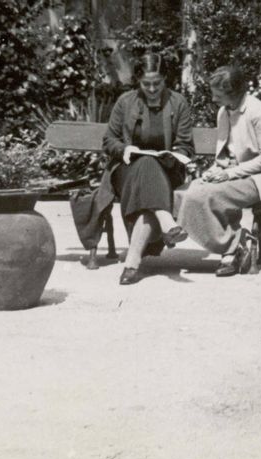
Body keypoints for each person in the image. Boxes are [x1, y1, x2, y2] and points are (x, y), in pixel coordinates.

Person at [177, 65, 261, 277]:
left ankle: (231, 249)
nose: (213, 99)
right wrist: (214, 170)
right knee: (184, 193)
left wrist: (228, 174)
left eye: (218, 95)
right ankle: (234, 244)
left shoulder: (257, 112)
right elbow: (226, 152)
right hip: (233, 173)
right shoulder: (224, 112)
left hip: (260, 178)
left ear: (233, 93)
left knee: (205, 195)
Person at [100, 53, 195, 285]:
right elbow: (109, 140)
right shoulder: (125, 102)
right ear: (138, 82)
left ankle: (132, 261)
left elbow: (186, 145)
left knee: (150, 172)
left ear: (165, 79)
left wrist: (173, 155)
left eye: (157, 83)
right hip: (127, 170)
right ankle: (166, 221)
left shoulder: (178, 102)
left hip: (167, 170)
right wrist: (124, 149)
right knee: (145, 165)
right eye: (146, 84)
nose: (152, 89)